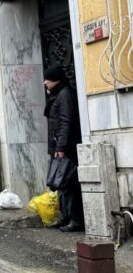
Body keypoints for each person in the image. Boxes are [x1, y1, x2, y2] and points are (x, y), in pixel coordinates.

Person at [43, 66, 84, 233]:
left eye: (47, 79)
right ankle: (64, 217)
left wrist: (61, 147)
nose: (45, 82)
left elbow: (65, 122)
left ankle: (75, 220)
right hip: (58, 146)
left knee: (69, 184)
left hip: (66, 148)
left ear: (55, 79)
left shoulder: (65, 94)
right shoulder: (57, 95)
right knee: (61, 185)